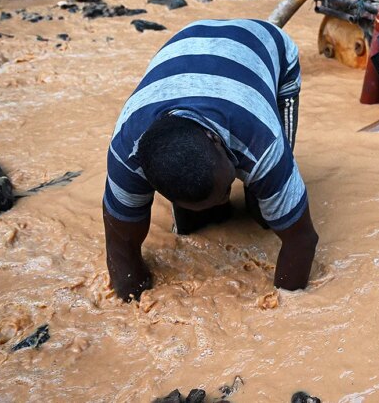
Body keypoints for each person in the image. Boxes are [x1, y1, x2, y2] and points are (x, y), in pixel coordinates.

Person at [101, 18, 318, 301]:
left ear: (217, 140)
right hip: (185, 46)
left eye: (227, 187)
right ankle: (202, 208)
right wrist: (131, 306)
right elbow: (120, 245)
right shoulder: (126, 154)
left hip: (264, 44)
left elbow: (302, 239)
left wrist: (285, 312)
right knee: (194, 225)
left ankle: (250, 200)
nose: (225, 196)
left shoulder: (261, 139)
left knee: (263, 212)